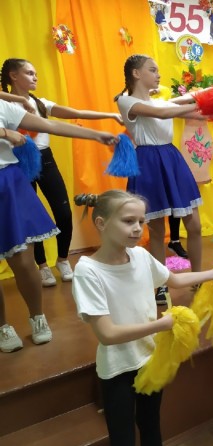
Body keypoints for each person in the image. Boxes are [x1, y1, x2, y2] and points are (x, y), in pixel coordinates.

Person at [72, 189, 213, 446]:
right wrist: (159, 326)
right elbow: (107, 334)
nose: (137, 228)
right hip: (118, 371)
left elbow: (174, 279)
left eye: (141, 222)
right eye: (128, 221)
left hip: (149, 361)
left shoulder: (141, 256)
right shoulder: (88, 271)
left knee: (152, 430)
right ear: (101, 223)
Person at [0, 99, 117, 353]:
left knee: (24, 261)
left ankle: (37, 317)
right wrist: (5, 133)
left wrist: (95, 135)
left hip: (7, 182)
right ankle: (2, 327)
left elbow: (49, 125)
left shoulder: (2, 106)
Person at [1, 58, 123, 287]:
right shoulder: (5, 103)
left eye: (36, 73)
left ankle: (63, 259)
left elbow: (74, 114)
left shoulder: (40, 103)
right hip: (18, 163)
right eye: (29, 73)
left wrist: (108, 116)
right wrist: (17, 103)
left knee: (63, 213)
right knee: (30, 218)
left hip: (45, 160)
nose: (35, 77)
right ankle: (42, 266)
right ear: (13, 76)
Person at [115, 54, 207, 305]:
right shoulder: (126, 101)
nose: (158, 74)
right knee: (157, 231)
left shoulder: (159, 100)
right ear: (136, 73)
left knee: (195, 226)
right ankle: (160, 285)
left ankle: (197, 276)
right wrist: (200, 104)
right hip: (148, 162)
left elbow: (178, 102)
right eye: (153, 70)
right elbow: (165, 112)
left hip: (172, 159)